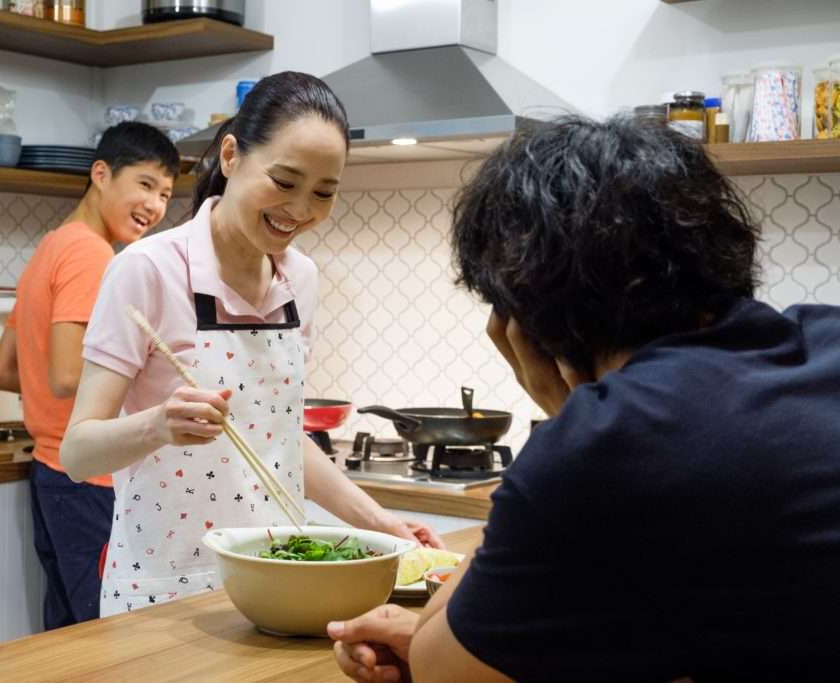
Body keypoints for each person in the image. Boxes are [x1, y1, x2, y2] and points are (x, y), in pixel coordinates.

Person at [329, 115, 840, 681]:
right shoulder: (825, 340)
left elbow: (440, 672)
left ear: (523, 322)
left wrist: (571, 414)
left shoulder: (605, 442)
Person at [60, 71, 441, 617]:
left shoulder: (300, 280)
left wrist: (377, 521)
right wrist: (158, 425)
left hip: (278, 582)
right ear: (233, 156)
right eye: (284, 182)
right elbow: (76, 453)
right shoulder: (146, 270)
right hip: (165, 590)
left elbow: (278, 437)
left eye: (324, 192)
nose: (301, 210)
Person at [0, 122, 179, 629]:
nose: (155, 206)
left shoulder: (50, 247)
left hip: (51, 472)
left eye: (165, 194)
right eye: (144, 184)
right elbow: (68, 374)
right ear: (101, 174)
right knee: (106, 635)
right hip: (90, 476)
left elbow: (5, 370)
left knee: (68, 633)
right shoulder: (91, 254)